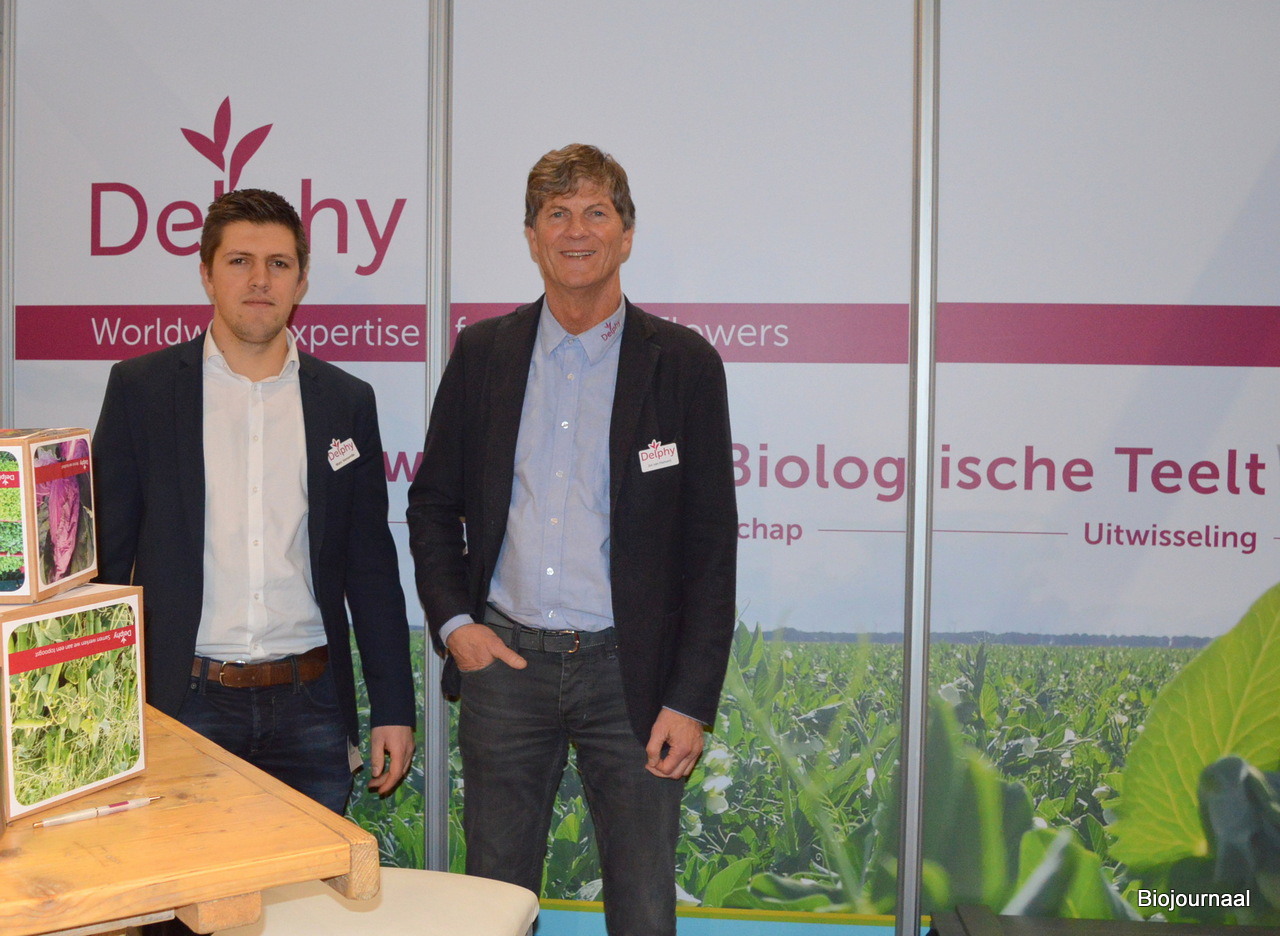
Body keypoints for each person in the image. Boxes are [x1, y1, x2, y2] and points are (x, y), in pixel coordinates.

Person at [407, 144, 737, 934]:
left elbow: (711, 546)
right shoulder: (484, 353)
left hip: (633, 677)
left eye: (596, 212)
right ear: (532, 237)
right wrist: (458, 628)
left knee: (644, 907)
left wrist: (690, 701)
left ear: (627, 234)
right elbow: (432, 504)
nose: (577, 230)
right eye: (557, 214)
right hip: (505, 670)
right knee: (494, 905)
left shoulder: (684, 364)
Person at [94, 188, 415, 816]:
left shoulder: (346, 400)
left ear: (301, 280)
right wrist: (100, 708)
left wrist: (394, 707)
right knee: (185, 884)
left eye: (279, 263)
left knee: (310, 883)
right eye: (240, 261)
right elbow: (107, 563)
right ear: (207, 274)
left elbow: (371, 567)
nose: (260, 280)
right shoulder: (142, 390)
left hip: (312, 708)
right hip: (183, 704)